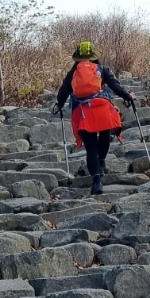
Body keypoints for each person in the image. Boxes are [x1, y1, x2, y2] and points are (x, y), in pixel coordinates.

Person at [53, 41, 135, 195]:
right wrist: (129, 96)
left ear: (77, 58)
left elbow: (63, 91)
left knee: (91, 147)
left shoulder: (74, 73)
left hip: (84, 112)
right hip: (102, 108)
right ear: (95, 56)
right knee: (104, 134)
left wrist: (59, 104)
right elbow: (117, 87)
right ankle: (102, 161)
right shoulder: (102, 69)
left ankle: (96, 181)